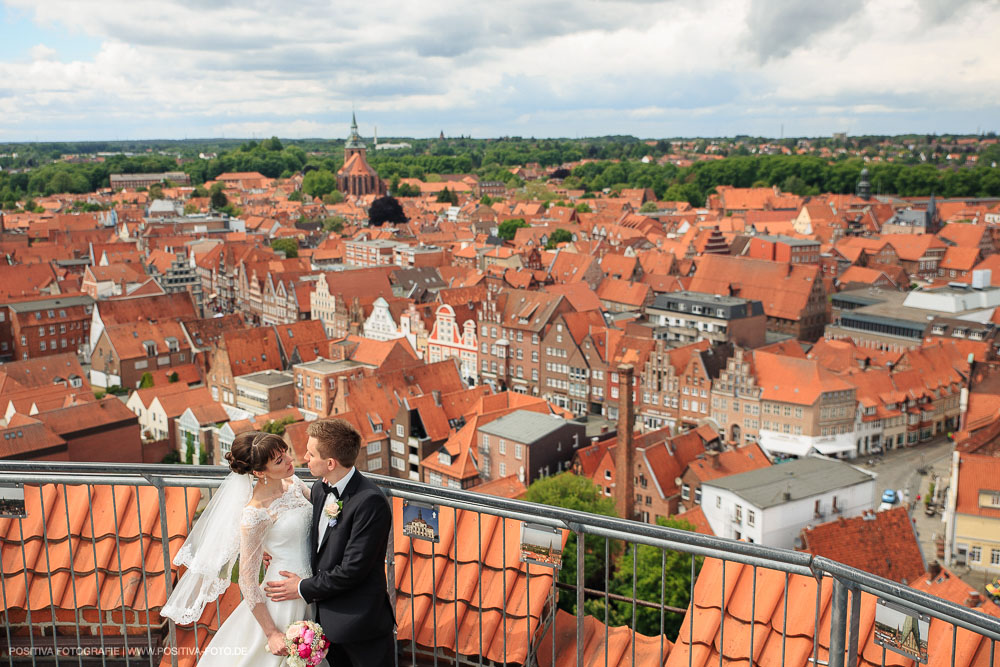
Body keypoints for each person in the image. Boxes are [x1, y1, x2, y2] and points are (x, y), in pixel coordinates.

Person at [160, 432, 316, 666]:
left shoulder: (295, 484)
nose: (290, 460)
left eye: (285, 453)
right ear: (259, 472)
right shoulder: (254, 514)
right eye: (279, 461)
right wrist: (272, 633)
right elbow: (247, 581)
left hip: (311, 587)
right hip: (282, 599)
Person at [265, 418, 395, 667]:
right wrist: (268, 548)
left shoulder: (370, 502)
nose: (304, 458)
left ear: (330, 463)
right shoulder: (319, 489)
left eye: (311, 454)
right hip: (323, 623)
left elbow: (352, 570)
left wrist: (302, 587)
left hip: (361, 626)